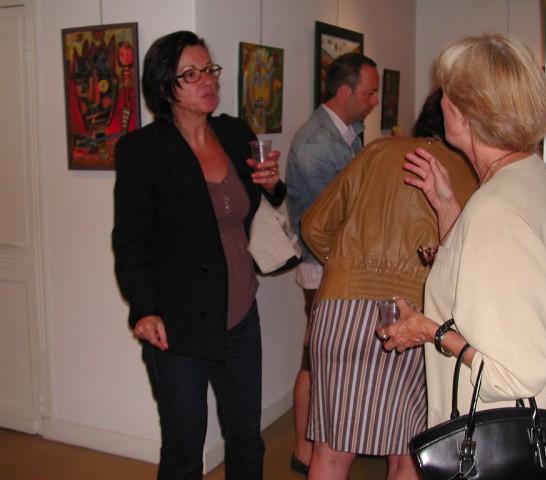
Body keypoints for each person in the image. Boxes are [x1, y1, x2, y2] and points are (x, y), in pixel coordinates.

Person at [383, 32, 546, 451]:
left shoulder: (497, 209)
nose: (441, 101)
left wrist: (429, 331)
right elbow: (483, 280)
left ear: (465, 112)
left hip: (503, 443)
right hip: (539, 434)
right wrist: (447, 208)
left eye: (446, 91)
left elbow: (514, 374)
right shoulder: (531, 175)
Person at [112, 31, 285, 480]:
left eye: (209, 69)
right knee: (184, 449)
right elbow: (129, 240)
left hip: (240, 314)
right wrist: (143, 308)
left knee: (247, 439)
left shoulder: (234, 133)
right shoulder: (143, 151)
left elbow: (264, 197)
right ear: (164, 86)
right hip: (178, 324)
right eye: (190, 74)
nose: (207, 80)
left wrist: (272, 184)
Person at [299, 90, 478, 480]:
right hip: (416, 320)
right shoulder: (471, 177)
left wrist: (346, 266)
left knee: (330, 453)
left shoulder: (376, 152)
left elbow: (313, 226)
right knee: (407, 455)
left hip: (339, 312)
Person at [285, 52, 379, 475]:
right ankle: (305, 452)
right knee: (316, 361)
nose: (374, 101)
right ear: (345, 92)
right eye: (370, 93)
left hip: (341, 265)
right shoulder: (314, 144)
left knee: (321, 358)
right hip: (323, 266)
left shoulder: (349, 133)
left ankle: (315, 449)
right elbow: (332, 219)